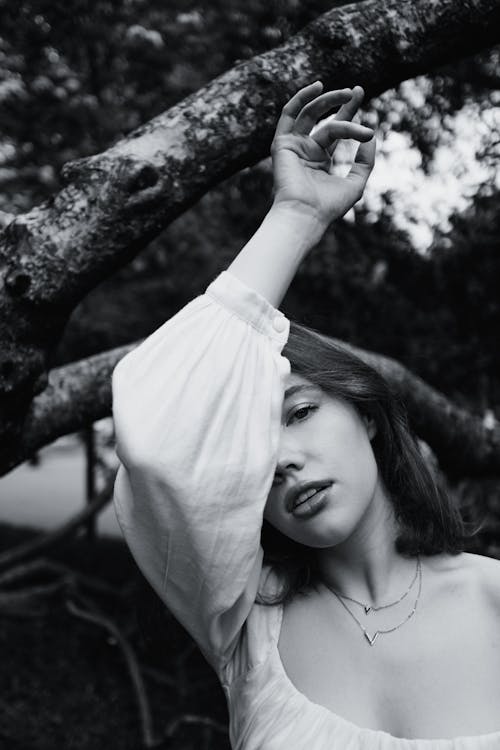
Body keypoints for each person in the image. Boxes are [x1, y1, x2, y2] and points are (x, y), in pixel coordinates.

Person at [112, 83, 500, 749]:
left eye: (300, 412)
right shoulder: (242, 621)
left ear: (368, 415)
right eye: (253, 447)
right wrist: (294, 217)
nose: (281, 458)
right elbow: (154, 427)